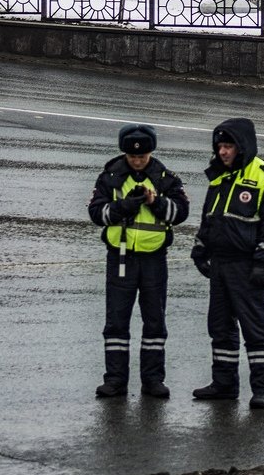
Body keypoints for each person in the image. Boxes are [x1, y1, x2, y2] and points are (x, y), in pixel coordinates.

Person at [191, 117, 264, 409]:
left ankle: (263, 390)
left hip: (246, 266)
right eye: (220, 146)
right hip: (220, 263)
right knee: (219, 327)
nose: (223, 152)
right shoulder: (219, 176)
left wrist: (262, 264)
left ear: (242, 146)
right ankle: (224, 384)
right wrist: (200, 250)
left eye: (228, 146)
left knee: (255, 328)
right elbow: (210, 219)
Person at [88, 123, 189, 399]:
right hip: (120, 257)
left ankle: (153, 380)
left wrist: (155, 203)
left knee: (154, 322)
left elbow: (180, 213)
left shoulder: (165, 177)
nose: (137, 161)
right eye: (133, 157)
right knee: (116, 322)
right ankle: (115, 381)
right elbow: (96, 214)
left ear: (151, 153)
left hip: (154, 260)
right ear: (124, 154)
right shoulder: (110, 177)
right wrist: (123, 207)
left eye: (142, 157)